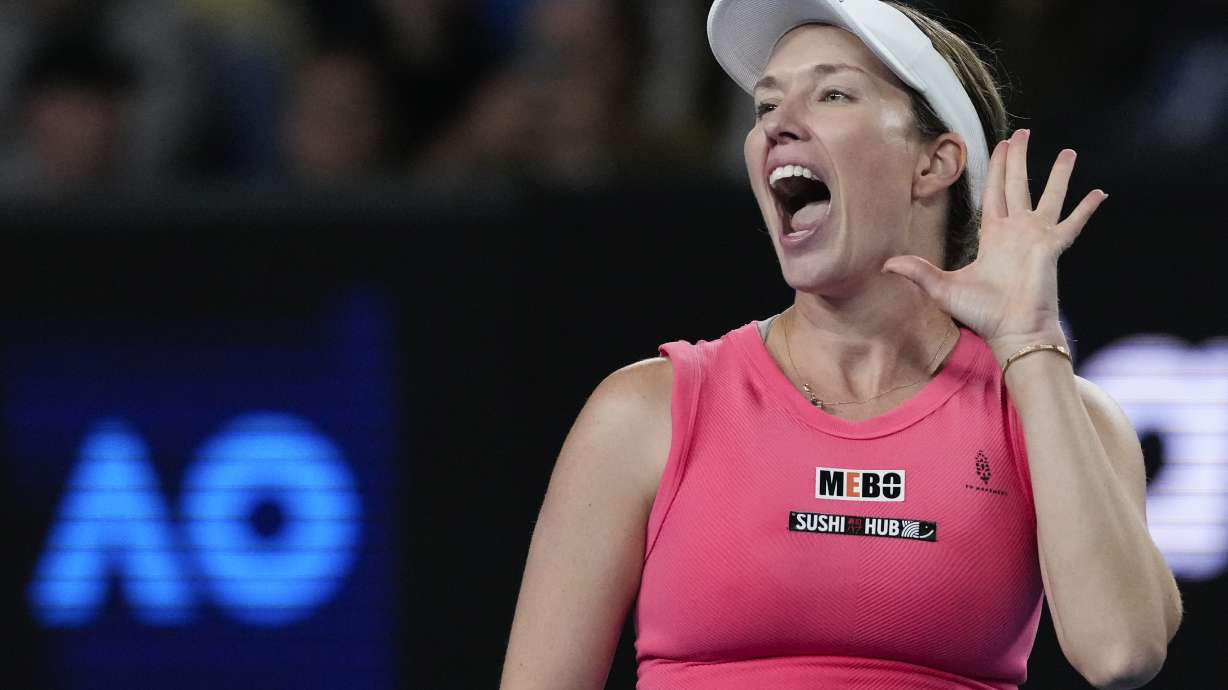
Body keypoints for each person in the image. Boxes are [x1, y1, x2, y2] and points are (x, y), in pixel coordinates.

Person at [499, 1, 1183, 688]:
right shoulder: (645, 411)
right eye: (767, 106)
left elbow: (1122, 652)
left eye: (832, 93)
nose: (777, 124)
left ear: (934, 163)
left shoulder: (1057, 416)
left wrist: (1031, 347)